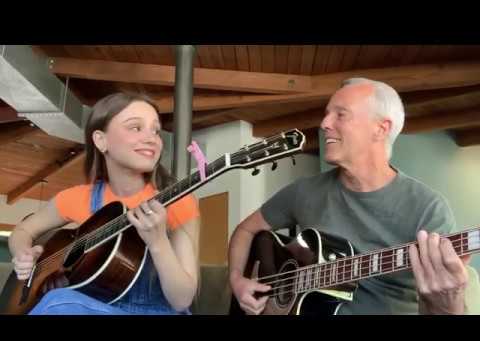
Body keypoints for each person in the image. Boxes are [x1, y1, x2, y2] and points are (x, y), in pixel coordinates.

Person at [228, 77, 475, 315]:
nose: (324, 123)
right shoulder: (304, 191)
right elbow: (245, 230)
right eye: (326, 113)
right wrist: (237, 280)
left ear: (381, 128)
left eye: (340, 114)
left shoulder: (427, 208)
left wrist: (448, 299)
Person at [8, 92, 200, 315]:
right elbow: (23, 230)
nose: (152, 138)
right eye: (135, 127)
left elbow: (182, 300)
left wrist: (158, 243)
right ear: (101, 140)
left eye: (155, 130)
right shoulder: (76, 198)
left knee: (58, 302)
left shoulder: (178, 201)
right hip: (85, 307)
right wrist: (23, 253)